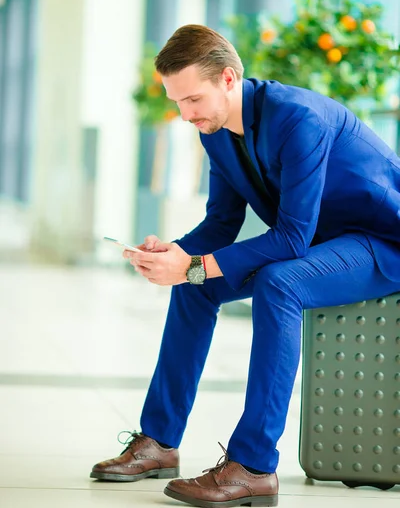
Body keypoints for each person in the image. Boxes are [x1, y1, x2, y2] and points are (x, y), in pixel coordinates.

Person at [90, 25, 400, 507]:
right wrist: (173, 254)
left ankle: (253, 465)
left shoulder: (298, 119)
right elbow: (220, 225)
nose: (185, 115)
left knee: (281, 283)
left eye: (193, 99)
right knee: (195, 286)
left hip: (382, 242)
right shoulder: (217, 131)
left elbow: (292, 238)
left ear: (229, 79)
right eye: (178, 103)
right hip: (325, 243)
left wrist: (194, 265)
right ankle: (159, 442)